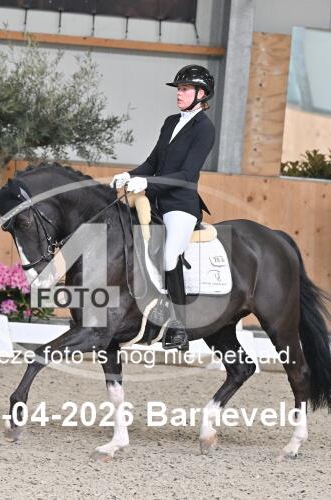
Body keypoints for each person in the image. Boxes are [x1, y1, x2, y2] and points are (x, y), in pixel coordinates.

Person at [110, 64, 215, 350]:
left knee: (169, 256)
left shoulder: (204, 128)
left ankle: (178, 327)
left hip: (180, 204)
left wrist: (147, 182)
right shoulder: (171, 122)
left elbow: (187, 175)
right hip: (155, 200)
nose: (179, 93)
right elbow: (152, 162)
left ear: (201, 94)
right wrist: (129, 174)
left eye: (185, 89)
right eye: (178, 89)